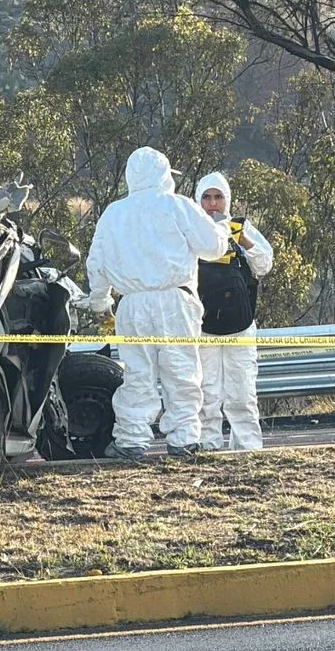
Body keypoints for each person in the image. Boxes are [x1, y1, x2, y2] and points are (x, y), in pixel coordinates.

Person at [84, 147, 230, 459]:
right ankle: (184, 439)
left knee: (137, 374)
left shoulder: (113, 213)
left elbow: (96, 262)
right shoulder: (178, 206)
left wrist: (100, 300)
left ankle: (131, 440)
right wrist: (221, 226)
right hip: (176, 300)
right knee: (182, 372)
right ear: (165, 174)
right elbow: (213, 248)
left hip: (132, 306)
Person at [194, 172, 273, 450]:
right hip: (203, 329)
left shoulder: (241, 228)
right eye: (206, 197)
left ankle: (248, 449)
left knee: (242, 393)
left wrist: (242, 239)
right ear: (198, 200)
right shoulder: (191, 229)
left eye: (218, 197)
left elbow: (264, 266)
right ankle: (208, 446)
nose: (212, 204)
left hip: (240, 326)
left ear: (227, 200)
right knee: (207, 394)